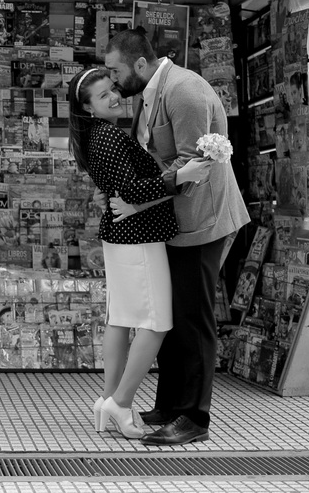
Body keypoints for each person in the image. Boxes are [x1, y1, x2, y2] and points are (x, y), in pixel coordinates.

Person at [104, 28, 250, 445]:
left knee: (194, 318)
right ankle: (169, 404)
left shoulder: (184, 92)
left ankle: (194, 418)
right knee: (170, 315)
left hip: (203, 221)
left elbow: (193, 167)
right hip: (174, 223)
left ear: (140, 64)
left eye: (115, 71)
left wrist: (139, 203)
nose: (113, 81)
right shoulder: (152, 91)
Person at [68, 67, 213, 439]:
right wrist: (183, 175)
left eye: (113, 88)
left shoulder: (97, 136)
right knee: (156, 323)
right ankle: (121, 402)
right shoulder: (109, 138)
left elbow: (121, 189)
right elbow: (131, 190)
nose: (115, 96)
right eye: (103, 96)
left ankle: (107, 400)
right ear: (88, 108)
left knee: (120, 318)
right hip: (138, 237)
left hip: (121, 236)